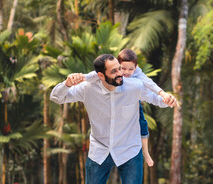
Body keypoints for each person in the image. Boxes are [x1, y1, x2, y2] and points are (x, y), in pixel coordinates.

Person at [50, 54, 177, 184]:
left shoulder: (134, 86)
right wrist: (67, 84)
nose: (120, 73)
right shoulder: (87, 88)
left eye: (119, 68)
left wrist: (167, 100)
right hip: (100, 151)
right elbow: (56, 97)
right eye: (113, 71)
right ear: (100, 76)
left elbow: (155, 99)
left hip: (130, 150)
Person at [83, 49, 174, 167]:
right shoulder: (112, 73)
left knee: (142, 124)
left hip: (133, 100)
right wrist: (81, 78)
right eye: (123, 68)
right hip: (117, 105)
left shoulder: (138, 75)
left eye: (131, 69)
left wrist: (162, 94)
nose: (126, 72)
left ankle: (145, 153)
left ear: (136, 68)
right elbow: (92, 76)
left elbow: (149, 83)